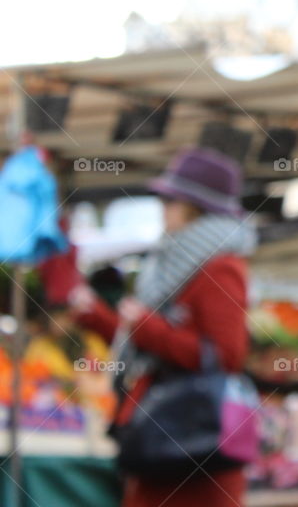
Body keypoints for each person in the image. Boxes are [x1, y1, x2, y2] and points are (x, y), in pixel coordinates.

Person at [70, 147, 256, 507]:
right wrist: (97, 317)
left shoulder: (221, 267)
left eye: (169, 200)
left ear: (193, 207)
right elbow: (152, 346)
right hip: (168, 439)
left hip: (193, 447)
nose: (162, 208)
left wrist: (143, 325)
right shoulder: (176, 262)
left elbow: (225, 356)